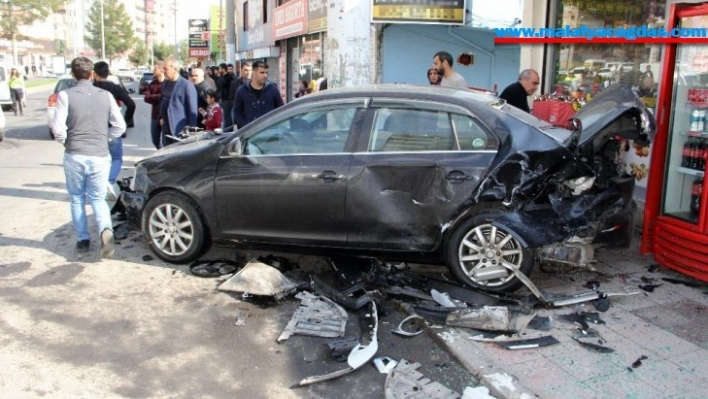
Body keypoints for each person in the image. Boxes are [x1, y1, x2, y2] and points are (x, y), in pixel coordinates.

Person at [50, 56, 126, 258]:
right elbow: (120, 125)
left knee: (76, 197)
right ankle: (105, 230)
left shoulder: (65, 95)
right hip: (100, 155)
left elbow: (57, 128)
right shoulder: (106, 96)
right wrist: (107, 138)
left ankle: (83, 239)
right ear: (92, 74)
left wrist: (66, 141)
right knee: (98, 198)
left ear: (73, 74)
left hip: (75, 154)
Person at [93, 61, 135, 186]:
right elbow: (131, 104)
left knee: (97, 161)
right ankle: (108, 182)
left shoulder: (91, 89)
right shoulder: (114, 88)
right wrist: (126, 122)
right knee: (116, 159)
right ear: (108, 73)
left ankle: (97, 184)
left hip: (94, 130)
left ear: (94, 74)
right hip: (112, 129)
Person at [158, 56, 198, 146]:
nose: (163, 71)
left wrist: (191, 134)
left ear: (174, 69)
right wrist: (160, 117)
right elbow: (161, 100)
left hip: (179, 131)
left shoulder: (186, 86)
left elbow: (192, 113)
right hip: (166, 128)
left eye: (166, 69)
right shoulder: (165, 83)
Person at [233, 60, 284, 129]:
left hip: (270, 132)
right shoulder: (242, 91)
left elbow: (281, 110)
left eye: (266, 72)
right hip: (250, 134)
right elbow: (237, 112)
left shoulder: (273, 89)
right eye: (262, 73)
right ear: (254, 72)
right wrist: (245, 126)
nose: (265, 75)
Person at [143, 63, 165, 149]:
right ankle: (160, 151)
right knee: (155, 139)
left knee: (166, 139)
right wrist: (159, 96)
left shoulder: (167, 83)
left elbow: (168, 97)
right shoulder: (153, 83)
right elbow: (146, 97)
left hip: (164, 116)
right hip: (155, 115)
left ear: (161, 70)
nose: (153, 71)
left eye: (155, 69)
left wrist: (153, 97)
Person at [218, 63, 236, 129]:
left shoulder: (230, 78)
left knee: (227, 118)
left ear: (223, 69)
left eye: (220, 69)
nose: (219, 70)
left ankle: (227, 131)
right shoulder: (222, 77)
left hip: (228, 101)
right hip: (223, 100)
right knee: (225, 118)